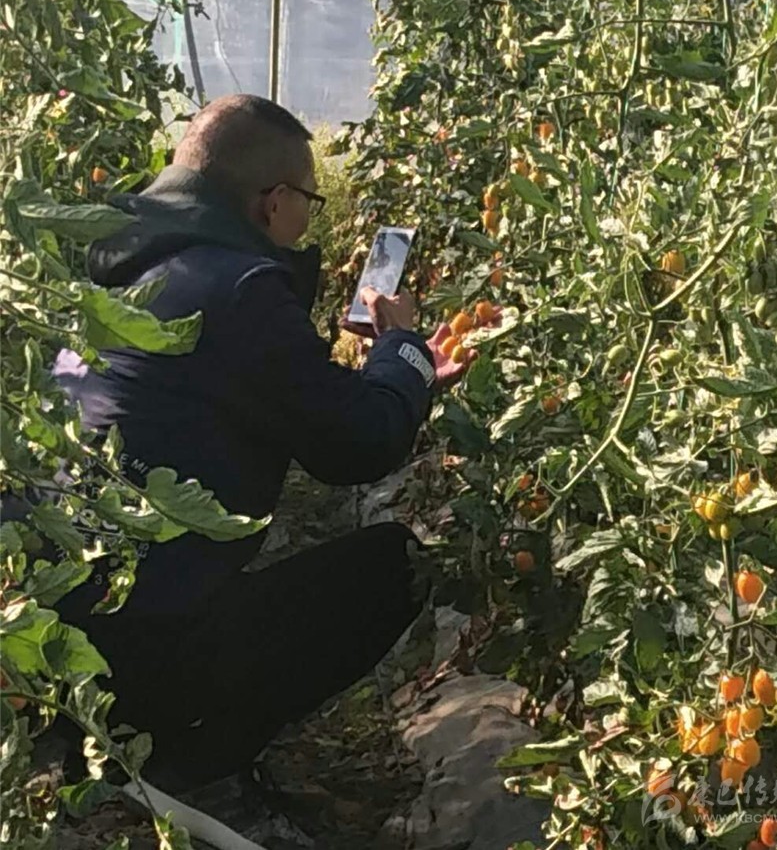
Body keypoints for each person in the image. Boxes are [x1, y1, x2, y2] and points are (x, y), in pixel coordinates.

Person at [51, 94, 471, 795]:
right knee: (394, 566)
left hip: (36, 635)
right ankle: (181, 769)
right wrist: (405, 351)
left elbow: (241, 388)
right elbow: (358, 445)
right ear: (274, 202)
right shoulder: (241, 289)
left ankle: (87, 741)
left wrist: (378, 371)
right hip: (126, 656)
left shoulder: (121, 266)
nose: (309, 219)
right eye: (309, 200)